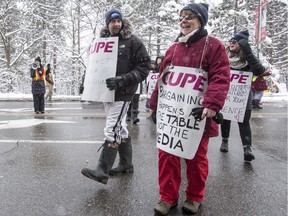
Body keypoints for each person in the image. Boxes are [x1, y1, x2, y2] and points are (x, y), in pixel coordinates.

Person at [149, 3, 230, 215]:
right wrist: (154, 106)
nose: (184, 20)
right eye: (181, 16)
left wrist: (211, 105)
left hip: (198, 115)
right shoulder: (173, 48)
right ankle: (168, 198)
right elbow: (162, 80)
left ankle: (194, 197)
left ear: (201, 20)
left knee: (195, 159)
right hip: (172, 116)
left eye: (190, 16)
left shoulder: (214, 46)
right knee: (166, 155)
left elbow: (220, 77)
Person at [81, 9, 150, 184]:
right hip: (106, 92)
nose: (116, 24)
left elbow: (144, 67)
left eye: (119, 21)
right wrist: (87, 82)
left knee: (112, 128)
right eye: (113, 21)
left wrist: (123, 79)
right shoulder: (102, 42)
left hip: (124, 93)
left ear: (122, 23)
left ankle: (102, 170)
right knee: (121, 127)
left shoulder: (133, 42)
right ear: (107, 24)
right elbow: (94, 66)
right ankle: (126, 164)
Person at [220, 30, 266, 160]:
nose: (231, 43)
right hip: (227, 94)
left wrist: (247, 51)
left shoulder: (248, 58)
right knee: (225, 118)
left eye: (235, 41)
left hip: (243, 95)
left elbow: (260, 70)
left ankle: (247, 148)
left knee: (244, 121)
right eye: (231, 41)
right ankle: (225, 140)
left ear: (242, 44)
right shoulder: (225, 56)